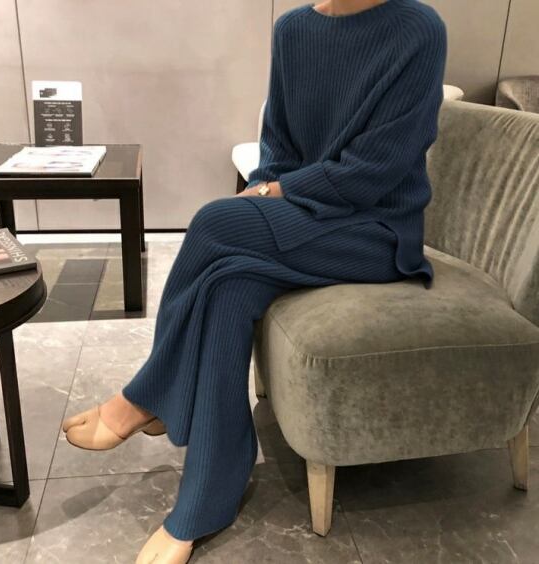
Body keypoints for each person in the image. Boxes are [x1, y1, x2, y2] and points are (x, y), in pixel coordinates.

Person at [61, 0, 448, 562]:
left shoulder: (418, 29)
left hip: (377, 231)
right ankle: (206, 497)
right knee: (228, 285)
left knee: (215, 221)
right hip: (309, 217)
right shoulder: (293, 30)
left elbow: (377, 169)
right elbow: (279, 148)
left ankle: (144, 396)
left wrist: (271, 195)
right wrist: (267, 189)